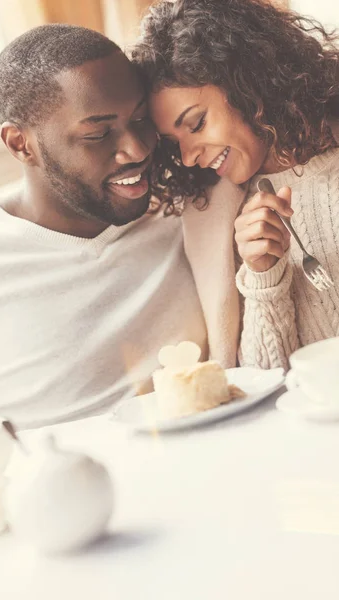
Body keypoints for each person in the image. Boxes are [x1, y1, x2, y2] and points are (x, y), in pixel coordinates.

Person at [0, 23, 242, 429]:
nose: (137, 149)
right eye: (98, 134)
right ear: (20, 144)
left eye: (141, 119)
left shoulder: (193, 202)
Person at [132, 0, 339, 370]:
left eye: (196, 124)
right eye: (173, 143)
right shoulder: (217, 216)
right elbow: (261, 378)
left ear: (250, 83)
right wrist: (263, 273)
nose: (190, 156)